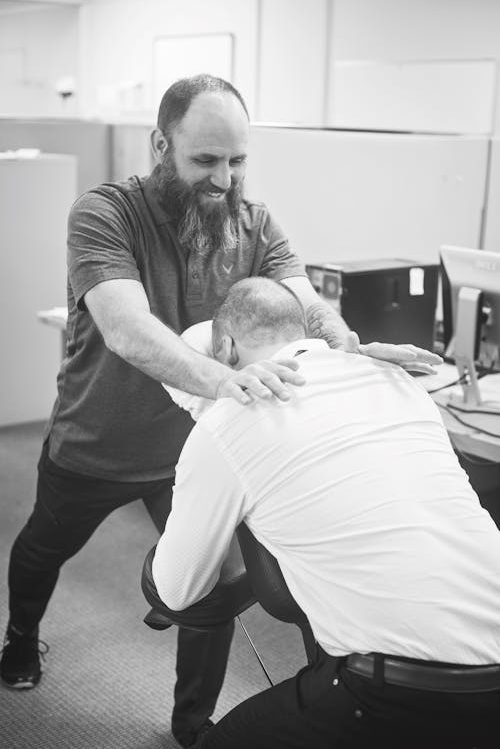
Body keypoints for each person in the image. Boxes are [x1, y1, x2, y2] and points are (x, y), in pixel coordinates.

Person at [0, 74, 440, 748]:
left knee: (211, 589)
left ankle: (191, 723)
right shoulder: (105, 213)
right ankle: (21, 635)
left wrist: (345, 342)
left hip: (192, 450)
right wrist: (222, 381)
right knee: (42, 549)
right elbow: (125, 327)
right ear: (160, 145)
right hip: (98, 440)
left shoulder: (253, 223)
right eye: (206, 160)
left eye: (236, 161)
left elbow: (304, 300)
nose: (223, 178)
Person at [152, 277, 500, 749]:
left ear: (225, 348)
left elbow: (177, 591)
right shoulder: (396, 380)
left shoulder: (228, 423)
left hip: (401, 690)